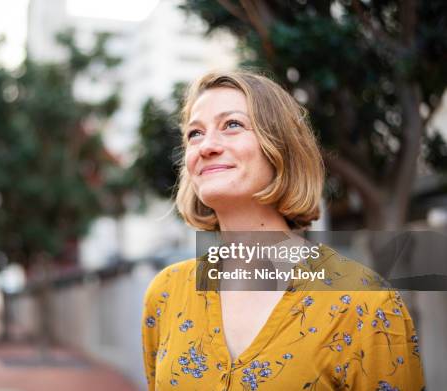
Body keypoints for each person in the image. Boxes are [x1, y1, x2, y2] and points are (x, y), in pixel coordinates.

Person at [141, 70, 425, 390]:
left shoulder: (364, 303)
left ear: (282, 148)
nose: (206, 146)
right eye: (194, 133)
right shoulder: (166, 294)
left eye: (232, 125)